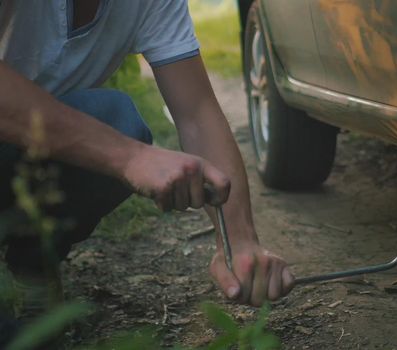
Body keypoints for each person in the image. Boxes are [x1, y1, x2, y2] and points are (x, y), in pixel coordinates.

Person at [0, 0, 294, 336]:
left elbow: (197, 113)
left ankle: (35, 267)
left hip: (24, 159)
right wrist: (129, 157)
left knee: (118, 120)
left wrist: (239, 241)